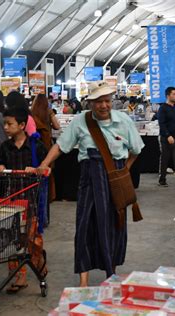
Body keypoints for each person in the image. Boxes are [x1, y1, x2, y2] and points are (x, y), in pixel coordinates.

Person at [37, 81, 145, 286]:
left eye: (107, 101)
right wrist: (44, 164)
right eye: (98, 102)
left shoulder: (123, 120)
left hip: (114, 178)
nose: (103, 106)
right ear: (90, 103)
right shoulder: (81, 121)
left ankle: (111, 273)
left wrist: (123, 172)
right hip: (89, 178)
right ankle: (83, 280)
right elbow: (61, 146)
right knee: (85, 225)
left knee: (113, 225)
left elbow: (136, 150)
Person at [0, 107, 48, 293]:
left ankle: (38, 262)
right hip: (11, 198)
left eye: (10, 124)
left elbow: (46, 167)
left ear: (22, 125)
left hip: (31, 199)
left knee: (32, 237)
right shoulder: (5, 147)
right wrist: (0, 167)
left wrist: (37, 169)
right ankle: (19, 276)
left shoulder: (36, 146)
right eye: (4, 124)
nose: (6, 127)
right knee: (11, 238)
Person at [32, 94, 61, 202]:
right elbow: (57, 126)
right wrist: (51, 114)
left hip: (35, 144)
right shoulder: (48, 112)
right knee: (48, 170)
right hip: (47, 144)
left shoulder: (32, 114)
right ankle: (49, 195)